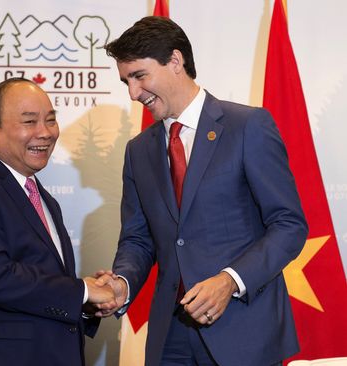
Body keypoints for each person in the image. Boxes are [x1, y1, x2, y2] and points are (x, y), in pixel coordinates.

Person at [96, 16, 308, 366]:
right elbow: (138, 239)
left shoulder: (247, 127)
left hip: (244, 332)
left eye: (139, 76)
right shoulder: (139, 150)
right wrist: (122, 282)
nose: (133, 94)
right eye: (126, 82)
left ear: (175, 62)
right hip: (171, 337)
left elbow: (289, 225)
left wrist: (230, 280)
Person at [0, 78, 115, 366]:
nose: (45, 133)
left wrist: (85, 304)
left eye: (51, 120)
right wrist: (80, 290)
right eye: (29, 121)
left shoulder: (44, 199)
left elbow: (40, 284)